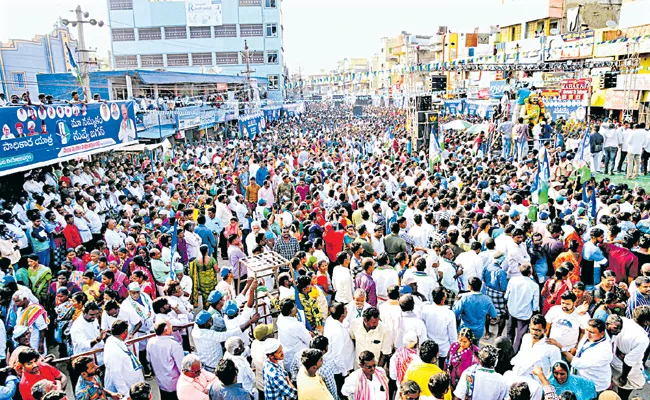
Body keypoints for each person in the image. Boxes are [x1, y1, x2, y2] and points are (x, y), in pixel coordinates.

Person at [547, 318, 613, 392]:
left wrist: (560, 346)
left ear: (602, 334)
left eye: (592, 332)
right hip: (581, 378)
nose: (587, 334)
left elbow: (577, 363)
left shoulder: (604, 351)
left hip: (594, 386)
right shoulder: (591, 336)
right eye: (587, 330)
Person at [605, 315, 649, 400]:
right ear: (646, 322)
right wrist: (624, 377)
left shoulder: (623, 320)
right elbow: (629, 362)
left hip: (613, 361)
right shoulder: (642, 338)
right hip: (625, 368)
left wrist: (617, 352)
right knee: (627, 388)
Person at [103, 320, 145, 397]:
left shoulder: (116, 342)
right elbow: (116, 374)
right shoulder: (114, 351)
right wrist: (126, 394)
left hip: (132, 387)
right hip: (127, 391)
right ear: (125, 332)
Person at [505, 263, 540, 351]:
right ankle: (514, 352)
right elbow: (535, 305)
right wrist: (535, 312)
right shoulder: (534, 286)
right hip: (525, 314)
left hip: (512, 311)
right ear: (530, 272)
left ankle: (508, 351)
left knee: (510, 332)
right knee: (520, 337)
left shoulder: (512, 280)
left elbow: (506, 296)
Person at [146, 320, 184, 400]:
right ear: (165, 330)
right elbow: (182, 367)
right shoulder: (173, 345)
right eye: (170, 326)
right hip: (175, 383)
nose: (172, 327)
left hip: (161, 382)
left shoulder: (151, 342)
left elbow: (148, 359)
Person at [453, 277, 497, 342]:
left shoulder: (464, 298)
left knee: (464, 349)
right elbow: (494, 315)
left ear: (469, 287)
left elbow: (455, 313)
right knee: (476, 348)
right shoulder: (487, 299)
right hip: (478, 331)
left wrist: (456, 302)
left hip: (465, 331)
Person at [422, 287, 457, 362]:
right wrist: (454, 350)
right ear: (444, 298)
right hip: (443, 349)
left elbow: (423, 329)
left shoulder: (425, 310)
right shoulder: (449, 314)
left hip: (429, 348)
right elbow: (453, 335)